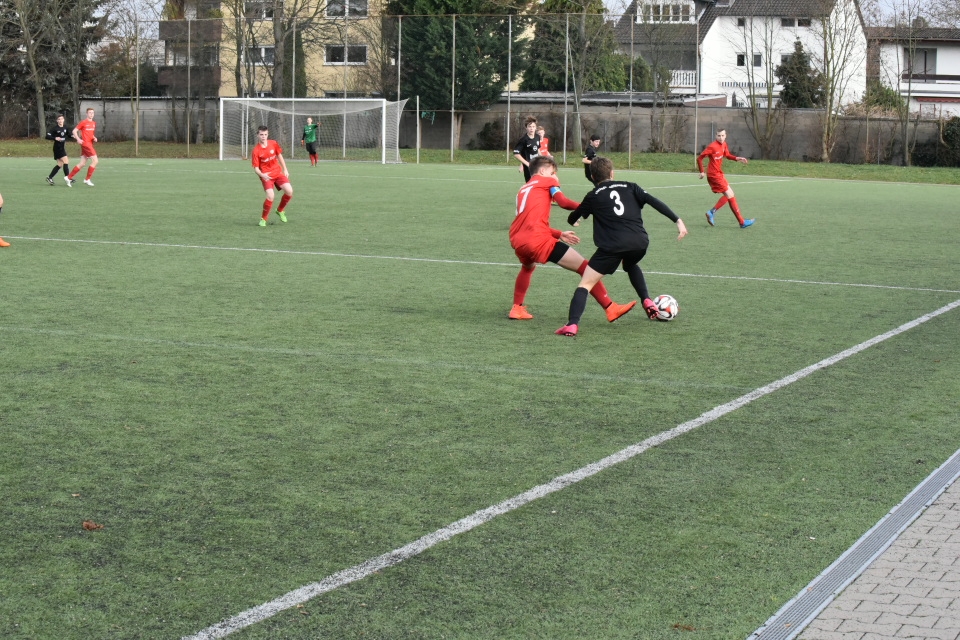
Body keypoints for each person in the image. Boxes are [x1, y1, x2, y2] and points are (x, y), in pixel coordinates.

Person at [556, 156, 687, 337]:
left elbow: (572, 218)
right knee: (630, 263)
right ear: (612, 173)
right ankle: (646, 300)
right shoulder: (631, 186)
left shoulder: (593, 195)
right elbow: (654, 202)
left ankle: (572, 325)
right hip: (639, 242)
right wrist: (678, 221)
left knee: (585, 284)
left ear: (592, 177)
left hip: (611, 247)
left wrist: (576, 221)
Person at [509, 155, 636, 323]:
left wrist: (558, 234)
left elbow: (528, 222)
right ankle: (610, 307)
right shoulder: (548, 181)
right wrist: (588, 208)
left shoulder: (524, 188)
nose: (554, 175)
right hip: (538, 240)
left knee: (527, 268)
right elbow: (563, 202)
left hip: (518, 239)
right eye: (552, 172)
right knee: (585, 267)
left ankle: (517, 308)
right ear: (543, 171)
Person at [697, 128, 754, 228]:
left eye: (722, 135)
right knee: (729, 195)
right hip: (713, 175)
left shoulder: (724, 144)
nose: (721, 138)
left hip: (719, 174)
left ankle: (741, 222)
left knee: (731, 195)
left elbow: (727, 155)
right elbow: (699, 158)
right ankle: (740, 222)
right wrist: (702, 171)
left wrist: (737, 158)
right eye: (719, 136)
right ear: (716, 136)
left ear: (725, 135)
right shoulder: (712, 146)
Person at [251, 125, 293, 227]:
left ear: (268, 134)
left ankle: (280, 210)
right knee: (270, 196)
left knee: (289, 191)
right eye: (261, 134)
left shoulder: (273, 143)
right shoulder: (256, 151)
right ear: (257, 135)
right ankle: (263, 219)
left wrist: (285, 169)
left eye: (265, 134)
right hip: (266, 176)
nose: (263, 136)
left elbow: (279, 155)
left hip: (277, 172)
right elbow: (256, 168)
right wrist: (262, 175)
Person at [68, 108, 99, 187]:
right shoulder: (83, 122)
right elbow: (74, 131)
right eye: (90, 113)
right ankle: (87, 179)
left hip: (89, 144)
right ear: (86, 114)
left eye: (92, 113)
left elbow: (90, 134)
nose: (91, 114)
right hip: (86, 144)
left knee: (82, 163)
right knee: (95, 161)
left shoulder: (93, 123)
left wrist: (94, 137)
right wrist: (78, 139)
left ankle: (69, 177)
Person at [512, 116, 541, 183]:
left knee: (539, 183)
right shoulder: (523, 140)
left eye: (533, 126)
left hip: (537, 164)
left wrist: (543, 159)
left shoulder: (537, 137)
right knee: (531, 184)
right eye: (529, 126)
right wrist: (527, 164)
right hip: (529, 168)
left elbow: (538, 149)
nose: (531, 128)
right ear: (526, 128)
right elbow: (516, 154)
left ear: (536, 127)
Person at [45, 114, 71, 186]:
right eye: (59, 119)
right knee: (66, 161)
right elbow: (47, 136)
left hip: (62, 147)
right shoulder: (55, 129)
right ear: (57, 121)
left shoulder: (65, 127)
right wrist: (55, 138)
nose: (60, 120)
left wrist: (73, 135)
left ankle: (50, 177)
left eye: (61, 119)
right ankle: (68, 178)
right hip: (57, 148)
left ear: (63, 120)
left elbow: (69, 134)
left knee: (60, 164)